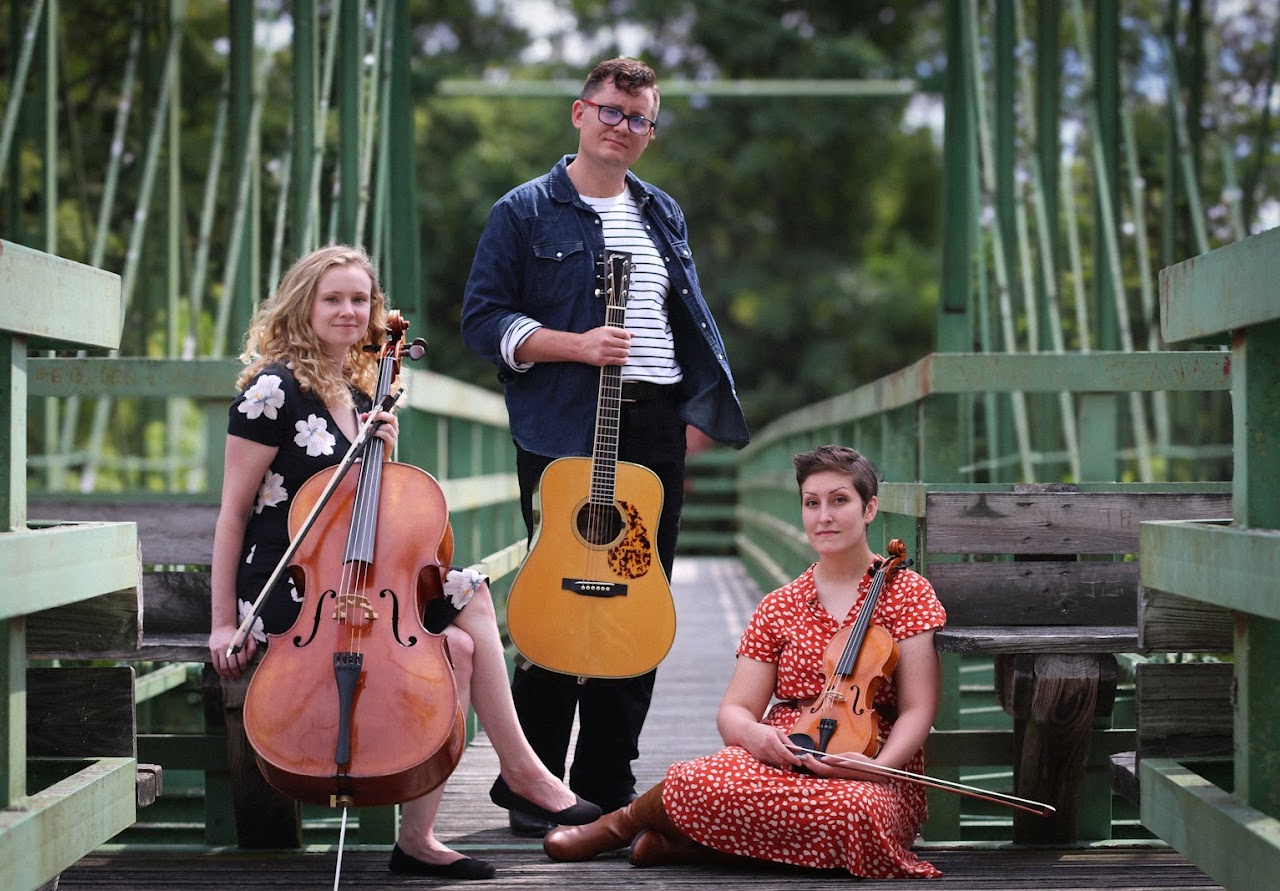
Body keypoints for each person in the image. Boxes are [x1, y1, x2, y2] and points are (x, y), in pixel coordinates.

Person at [207, 244, 600, 882]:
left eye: (359, 299)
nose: (348, 310)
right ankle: (519, 775)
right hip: (292, 586)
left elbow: (374, 512)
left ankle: (425, 834)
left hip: (359, 577)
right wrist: (224, 622)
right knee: (463, 635)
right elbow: (231, 514)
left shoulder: (364, 387)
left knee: (466, 627)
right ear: (303, 305)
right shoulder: (273, 388)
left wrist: (382, 455)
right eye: (332, 298)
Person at [459, 56, 751, 837]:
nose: (624, 127)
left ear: (650, 131)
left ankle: (606, 780)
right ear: (580, 113)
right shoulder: (523, 211)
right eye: (612, 111)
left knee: (636, 599)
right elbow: (482, 321)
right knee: (556, 599)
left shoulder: (661, 210)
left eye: (640, 118)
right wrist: (575, 345)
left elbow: (679, 317)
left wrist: (692, 401)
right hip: (564, 422)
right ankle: (534, 783)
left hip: (653, 427)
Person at [542, 445, 948, 879]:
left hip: (871, 761)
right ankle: (618, 825)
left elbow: (917, 708)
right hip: (786, 752)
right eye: (812, 503)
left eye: (839, 500)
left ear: (869, 509)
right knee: (694, 779)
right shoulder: (780, 604)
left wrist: (876, 768)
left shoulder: (908, 592)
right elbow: (735, 712)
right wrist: (757, 736)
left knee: (856, 813)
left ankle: (698, 850)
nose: (824, 516)